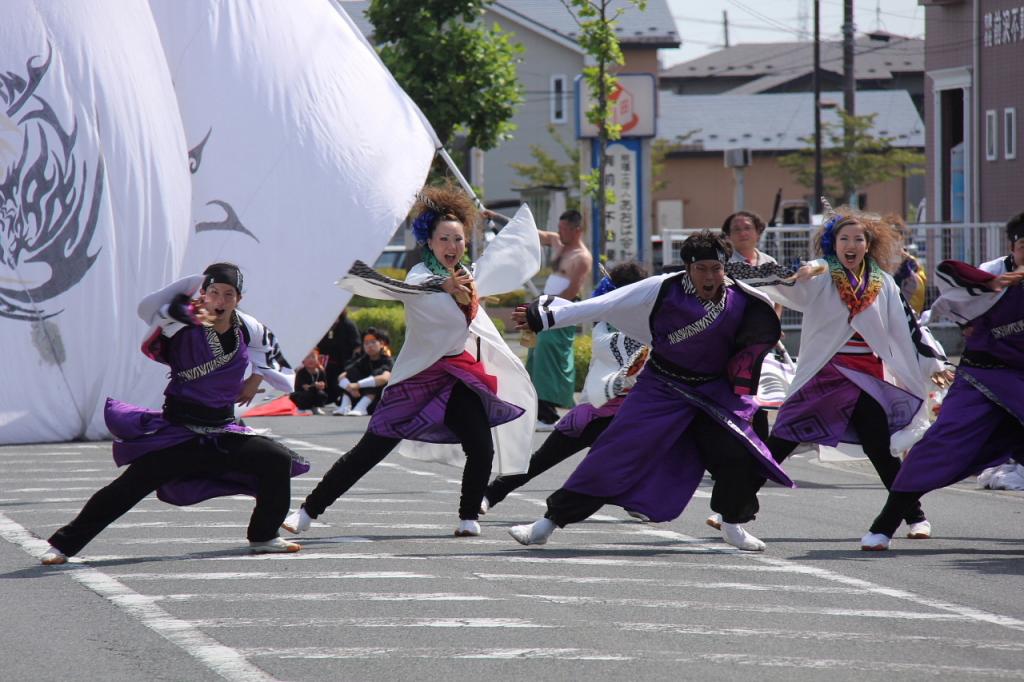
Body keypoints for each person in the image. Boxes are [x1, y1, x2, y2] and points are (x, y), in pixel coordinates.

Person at [507, 230, 792, 551]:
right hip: (662, 386)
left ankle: (732, 523)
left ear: (725, 267)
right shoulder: (661, 289)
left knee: (741, 451)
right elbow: (602, 304)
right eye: (701, 269)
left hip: (714, 391)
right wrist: (544, 316)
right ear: (687, 268)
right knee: (614, 453)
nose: (709, 276)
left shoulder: (744, 300)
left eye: (716, 268)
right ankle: (547, 523)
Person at [282, 184, 538, 538]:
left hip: (458, 376)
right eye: (445, 239)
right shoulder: (421, 275)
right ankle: (307, 512)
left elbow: (504, 264)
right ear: (430, 242)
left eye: (458, 240)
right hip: (419, 378)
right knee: (368, 451)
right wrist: (444, 287)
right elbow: (422, 287)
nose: (452, 246)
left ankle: (467, 516)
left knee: (481, 446)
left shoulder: (470, 279)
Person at [40, 263, 309, 565]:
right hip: (179, 431)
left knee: (276, 460)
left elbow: (272, 357)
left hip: (224, 431)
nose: (220, 301)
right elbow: (147, 309)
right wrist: (190, 290)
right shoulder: (185, 318)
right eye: (214, 292)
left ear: (238, 299)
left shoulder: (248, 327)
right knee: (127, 488)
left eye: (228, 294)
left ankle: (264, 535)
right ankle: (63, 545)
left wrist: (255, 379)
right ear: (204, 294)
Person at [728, 204, 951, 540]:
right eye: (843, 238)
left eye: (857, 239)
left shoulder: (883, 283)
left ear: (867, 245)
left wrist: (934, 364)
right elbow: (781, 281)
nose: (851, 244)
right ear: (834, 244)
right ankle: (732, 507)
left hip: (865, 377)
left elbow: (909, 328)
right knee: (782, 441)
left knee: (878, 448)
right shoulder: (819, 274)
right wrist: (794, 274)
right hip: (824, 373)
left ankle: (914, 516)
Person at [861, 213, 1024, 550]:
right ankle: (886, 523)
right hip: (982, 378)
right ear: (1012, 247)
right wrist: (989, 285)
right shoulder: (995, 273)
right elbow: (947, 270)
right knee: (939, 446)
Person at [481, 261, 649, 513]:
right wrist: (536, 316)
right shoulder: (603, 322)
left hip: (629, 414)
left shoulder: (650, 323)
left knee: (641, 460)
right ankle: (489, 495)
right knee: (541, 460)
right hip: (594, 410)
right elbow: (565, 310)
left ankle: (635, 501)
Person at [529, 209, 593, 427]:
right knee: (536, 350)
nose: (560, 232)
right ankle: (539, 408)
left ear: (577, 230)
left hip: (562, 311)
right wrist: (500, 219)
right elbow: (536, 233)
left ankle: (550, 412)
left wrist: (548, 307)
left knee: (550, 352)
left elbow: (573, 289)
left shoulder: (582, 257)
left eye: (564, 229)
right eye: (559, 227)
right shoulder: (557, 242)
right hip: (545, 308)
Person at [333, 327, 393, 416]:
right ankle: (345, 406)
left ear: (381, 344)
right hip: (357, 395)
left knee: (374, 379)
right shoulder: (363, 359)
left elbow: (384, 378)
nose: (370, 346)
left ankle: (361, 408)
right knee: (352, 373)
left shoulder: (387, 360)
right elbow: (342, 376)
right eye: (366, 343)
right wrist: (350, 388)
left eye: (373, 342)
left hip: (376, 400)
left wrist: (357, 385)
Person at [317, 309, 361, 405]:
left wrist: (353, 364)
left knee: (337, 387)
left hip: (343, 365)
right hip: (326, 365)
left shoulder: (348, 325)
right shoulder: (324, 325)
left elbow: (357, 346)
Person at [290, 349, 331, 414]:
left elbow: (324, 385)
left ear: (317, 360)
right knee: (306, 394)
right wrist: (315, 385)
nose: (310, 360)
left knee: (322, 394)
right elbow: (305, 387)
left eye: (313, 357)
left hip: (315, 391)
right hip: (301, 393)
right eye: (307, 357)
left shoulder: (321, 371)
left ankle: (316, 407)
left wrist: (321, 385)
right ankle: (302, 408)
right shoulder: (301, 372)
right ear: (303, 361)